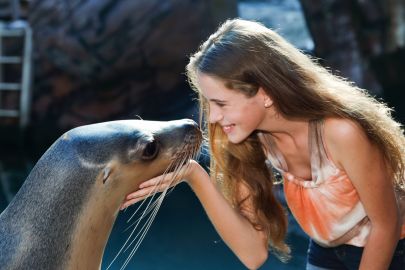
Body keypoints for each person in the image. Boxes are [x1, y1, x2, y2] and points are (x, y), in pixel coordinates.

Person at [121, 19, 405, 270]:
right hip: (327, 252)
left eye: (220, 103)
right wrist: (194, 176)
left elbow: (386, 225)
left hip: (393, 250)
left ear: (265, 94)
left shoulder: (340, 133)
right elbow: (253, 254)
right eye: (209, 103)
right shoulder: (248, 142)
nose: (214, 117)